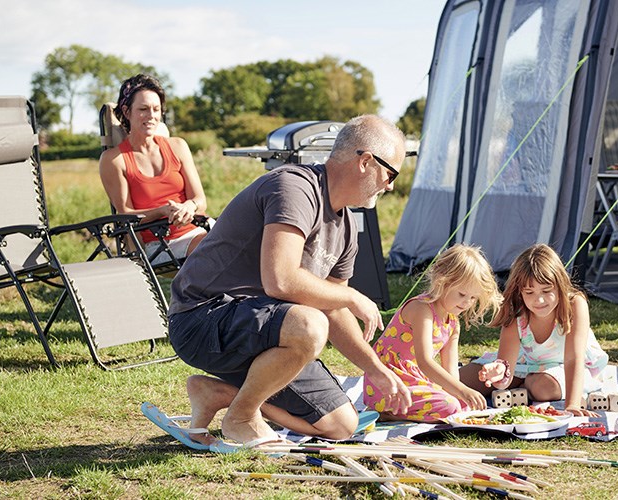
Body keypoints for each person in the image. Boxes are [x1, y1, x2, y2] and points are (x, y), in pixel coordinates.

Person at [167, 115, 413, 449]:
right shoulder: (294, 187)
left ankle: (221, 395)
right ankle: (241, 418)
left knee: (341, 425)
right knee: (309, 325)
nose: (390, 186)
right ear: (366, 161)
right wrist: (352, 297)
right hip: (202, 318)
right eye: (391, 173)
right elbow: (280, 280)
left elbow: (333, 306)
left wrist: (376, 369)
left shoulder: (347, 228)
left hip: (261, 328)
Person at [460, 244, 608, 417]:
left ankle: (526, 386)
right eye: (529, 292)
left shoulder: (574, 304)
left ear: (560, 285)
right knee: (460, 380)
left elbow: (573, 358)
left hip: (561, 366)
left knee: (543, 387)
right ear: (519, 291)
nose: (539, 299)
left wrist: (572, 405)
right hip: (523, 362)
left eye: (546, 290)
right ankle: (523, 385)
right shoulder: (516, 311)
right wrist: (499, 374)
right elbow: (505, 367)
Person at [362, 244, 502, 422]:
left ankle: (395, 412)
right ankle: (386, 412)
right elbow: (425, 362)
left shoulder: (452, 322)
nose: (467, 302)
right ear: (442, 281)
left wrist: (461, 393)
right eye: (461, 294)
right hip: (388, 383)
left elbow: (451, 372)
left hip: (414, 381)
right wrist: (462, 390)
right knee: (451, 406)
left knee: (462, 405)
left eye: (473, 298)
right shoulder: (422, 309)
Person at [99, 74, 210, 265]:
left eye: (156, 109)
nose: (151, 116)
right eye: (143, 109)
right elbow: (125, 216)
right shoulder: (114, 160)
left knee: (249, 234)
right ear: (126, 111)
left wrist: (188, 207)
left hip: (199, 231)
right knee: (219, 248)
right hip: (161, 244)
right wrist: (162, 211)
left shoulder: (178, 146)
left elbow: (200, 200)